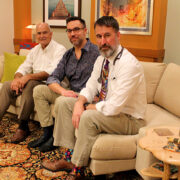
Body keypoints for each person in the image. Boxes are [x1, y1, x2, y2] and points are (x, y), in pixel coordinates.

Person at [41, 16, 147, 179]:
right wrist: (80, 102)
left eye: (107, 35)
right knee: (63, 102)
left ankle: (77, 169)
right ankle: (68, 156)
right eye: (99, 36)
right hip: (108, 111)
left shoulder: (129, 65)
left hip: (129, 118)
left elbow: (114, 107)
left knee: (88, 117)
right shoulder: (101, 59)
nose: (103, 41)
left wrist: (85, 107)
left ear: (118, 36)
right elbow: (90, 86)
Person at [28, 17, 99, 152]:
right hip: (70, 93)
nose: (72, 34)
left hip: (86, 97)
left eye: (76, 29)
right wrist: (63, 91)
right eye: (69, 30)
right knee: (39, 90)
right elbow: (53, 77)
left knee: (62, 101)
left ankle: (56, 139)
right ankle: (47, 133)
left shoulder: (96, 53)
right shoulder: (68, 55)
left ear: (85, 31)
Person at [0, 22, 66, 143]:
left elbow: (51, 72)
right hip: (32, 81)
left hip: (49, 84)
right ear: (36, 36)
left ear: (51, 34)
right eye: (39, 33)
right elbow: (24, 67)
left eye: (45, 32)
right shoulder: (35, 50)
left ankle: (23, 126)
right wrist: (17, 78)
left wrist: (28, 77)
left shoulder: (60, 49)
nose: (42, 36)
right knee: (6, 85)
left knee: (30, 84)